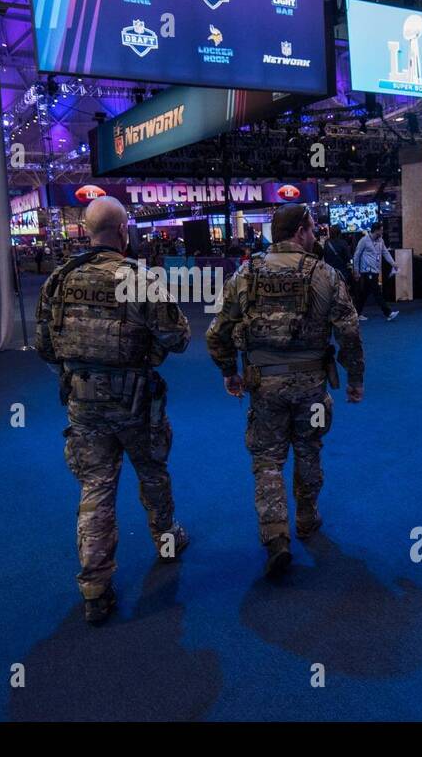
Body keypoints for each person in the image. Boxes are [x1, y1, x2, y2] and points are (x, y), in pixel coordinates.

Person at [34, 196, 192, 624]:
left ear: (86, 231)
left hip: (83, 404)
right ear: (124, 231)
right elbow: (178, 338)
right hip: (136, 401)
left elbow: (44, 346)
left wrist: (79, 374)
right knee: (152, 471)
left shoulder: (59, 281)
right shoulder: (137, 278)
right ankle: (166, 540)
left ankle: (96, 587)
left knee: (97, 488)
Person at [205, 204, 365, 577]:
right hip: (311, 386)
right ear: (300, 231)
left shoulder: (246, 274)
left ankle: (275, 536)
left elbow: (218, 332)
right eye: (312, 229)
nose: (315, 236)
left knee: (267, 459)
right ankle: (307, 518)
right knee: (309, 448)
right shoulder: (325, 274)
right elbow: (350, 333)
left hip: (265, 387)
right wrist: (355, 378)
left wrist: (229, 371)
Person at [351, 221, 399, 321]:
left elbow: (385, 253)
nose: (382, 232)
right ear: (376, 230)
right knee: (377, 292)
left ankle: (356, 314)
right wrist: (356, 270)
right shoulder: (364, 240)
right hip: (367, 271)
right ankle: (388, 313)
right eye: (381, 230)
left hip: (376, 270)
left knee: (364, 293)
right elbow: (356, 256)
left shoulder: (381, 241)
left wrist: (393, 264)